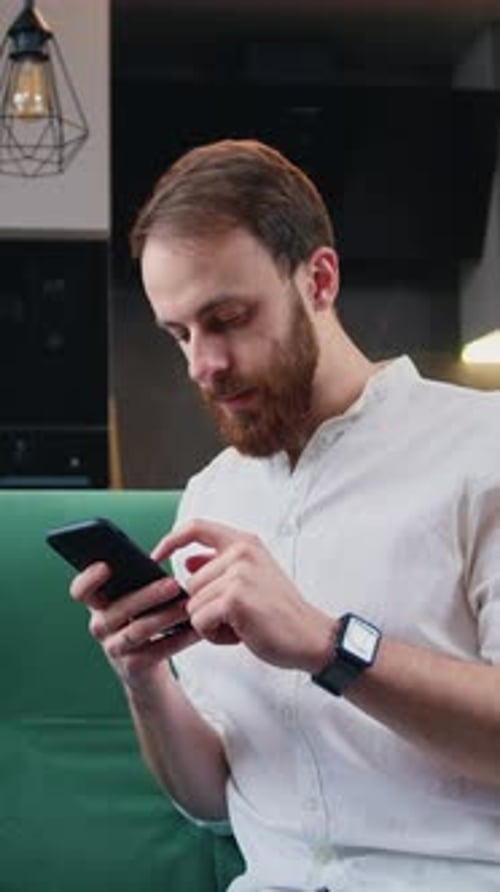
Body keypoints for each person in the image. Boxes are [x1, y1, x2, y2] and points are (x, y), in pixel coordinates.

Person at [70, 139, 500, 892]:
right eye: (179, 335)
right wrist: (144, 680)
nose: (203, 365)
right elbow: (209, 803)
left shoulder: (481, 449)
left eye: (227, 318)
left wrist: (330, 646)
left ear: (320, 280)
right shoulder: (210, 498)